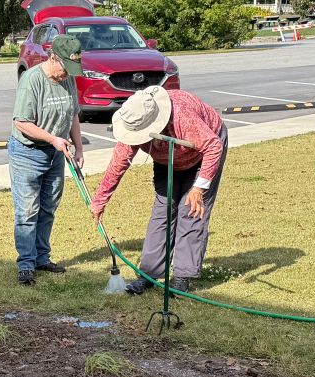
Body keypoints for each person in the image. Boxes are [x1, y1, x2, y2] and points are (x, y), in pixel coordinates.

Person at [89, 85, 227, 294]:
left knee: (190, 211)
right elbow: (119, 162)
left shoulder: (183, 116)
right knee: (162, 211)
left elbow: (213, 146)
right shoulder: (135, 120)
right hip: (166, 159)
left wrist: (199, 187)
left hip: (202, 155)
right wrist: (100, 199)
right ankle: (149, 274)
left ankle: (182, 277)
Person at [8, 34, 85, 286]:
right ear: (53, 57)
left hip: (56, 153)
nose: (67, 74)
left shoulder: (68, 79)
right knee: (27, 211)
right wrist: (53, 139)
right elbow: (22, 123)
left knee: (49, 207)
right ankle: (26, 264)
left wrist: (80, 149)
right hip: (28, 153)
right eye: (65, 67)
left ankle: (42, 258)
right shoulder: (32, 80)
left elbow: (72, 114)